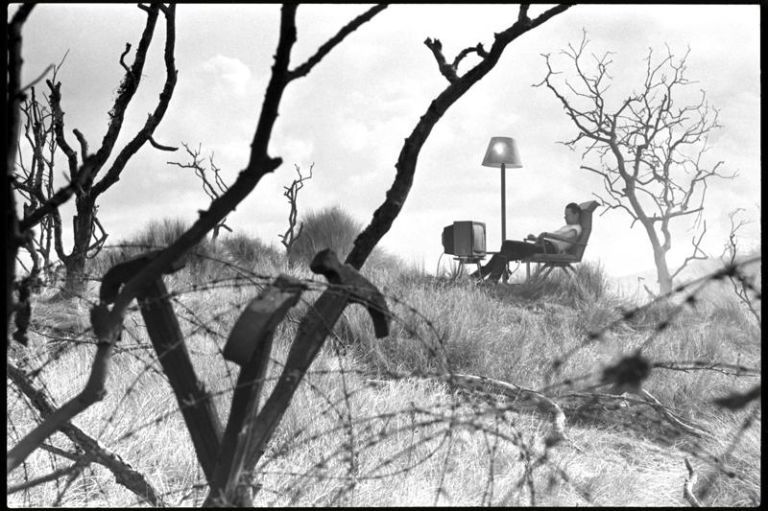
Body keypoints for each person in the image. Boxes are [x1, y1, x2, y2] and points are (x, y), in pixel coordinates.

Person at [474, 202, 583, 281]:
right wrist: (537, 238)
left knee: (507, 245)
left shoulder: (576, 228)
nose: (565, 218)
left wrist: (545, 235)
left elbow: (568, 238)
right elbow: (556, 237)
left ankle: (485, 278)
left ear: (576, 214)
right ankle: (486, 279)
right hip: (543, 245)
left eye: (567, 215)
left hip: (549, 248)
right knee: (503, 253)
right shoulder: (566, 226)